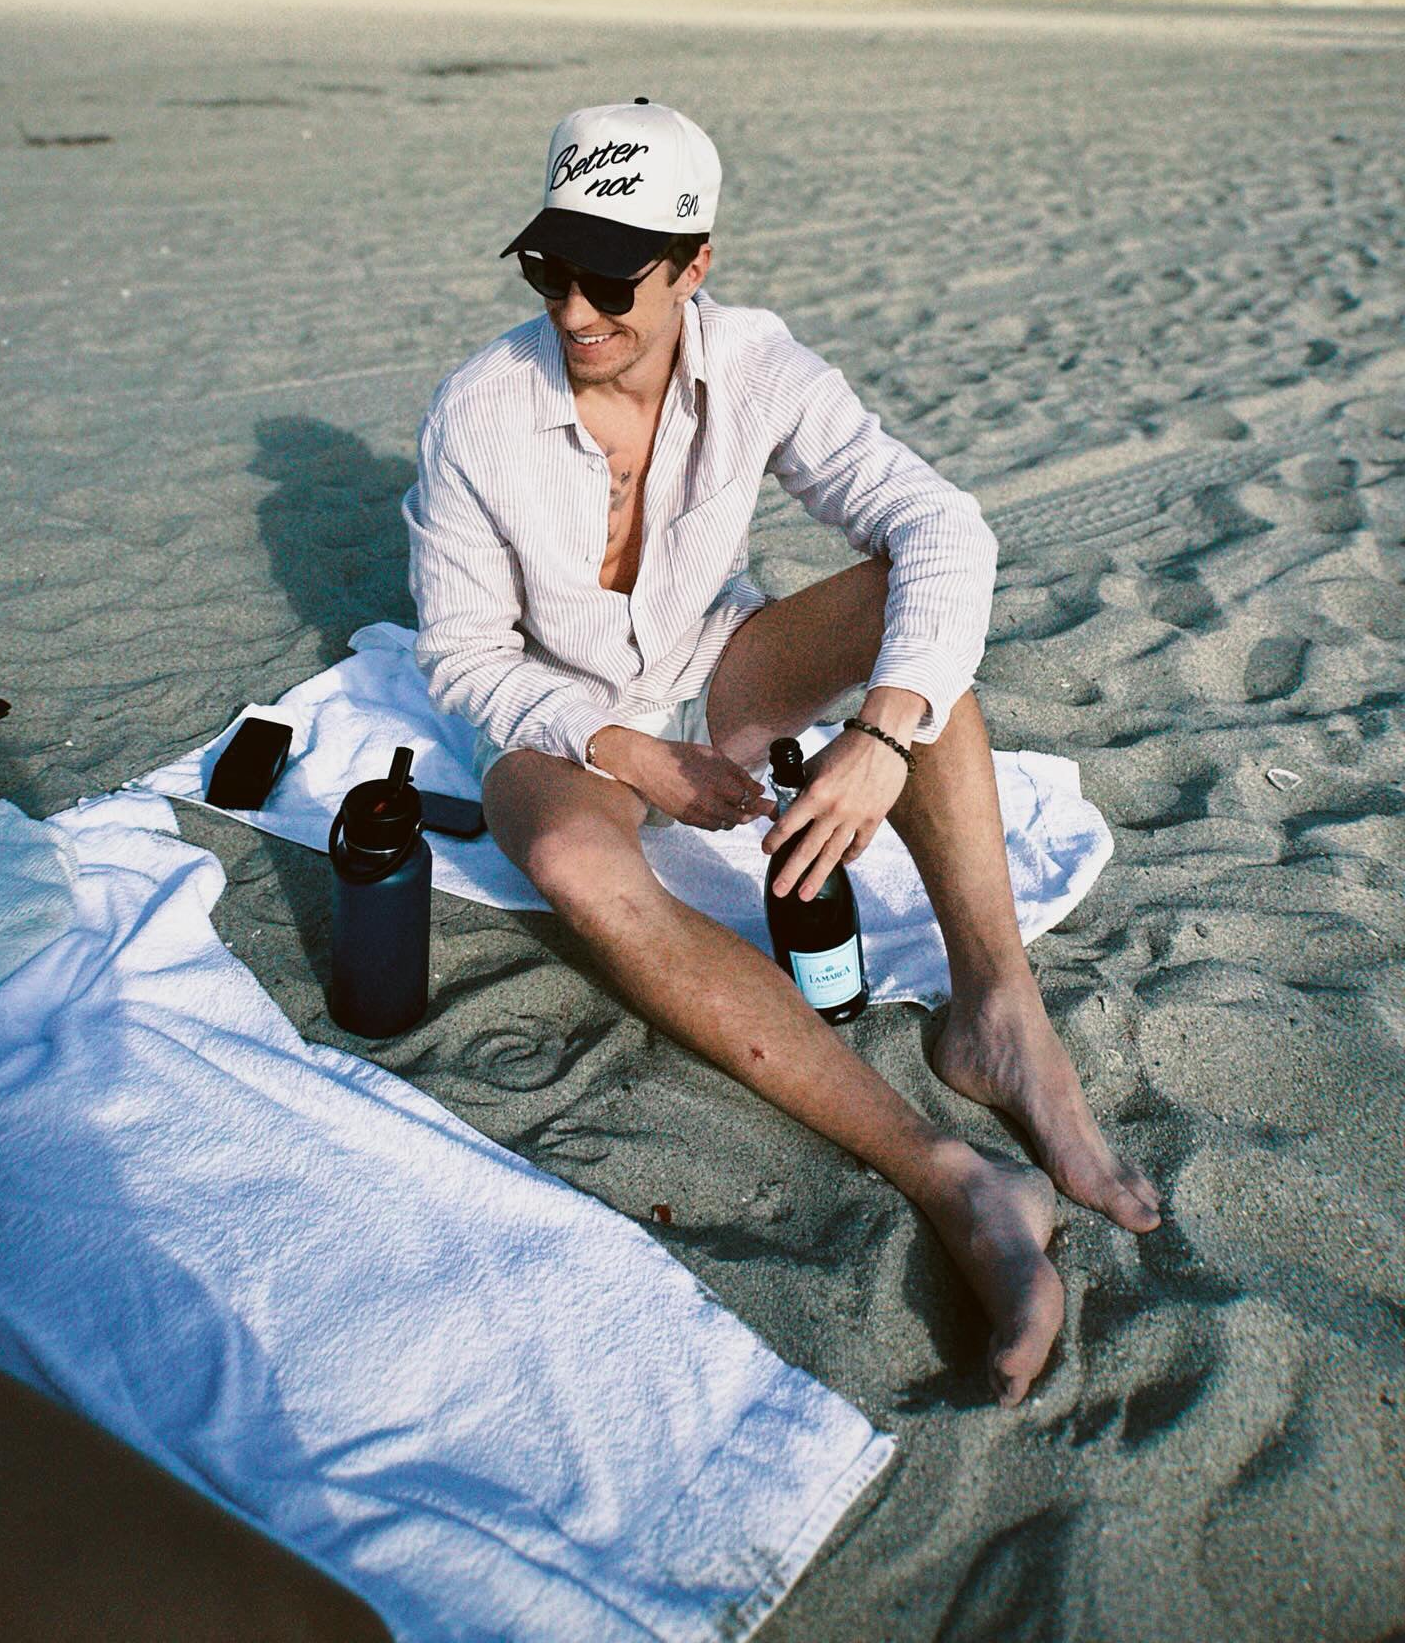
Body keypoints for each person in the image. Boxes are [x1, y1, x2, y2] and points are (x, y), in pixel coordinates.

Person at [404, 99, 1160, 1407]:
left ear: (695, 265)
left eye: (611, 276)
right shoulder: (478, 411)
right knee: (583, 870)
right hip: (561, 713)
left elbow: (943, 530)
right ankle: (951, 1178)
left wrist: (879, 735)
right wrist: (633, 758)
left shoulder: (755, 362)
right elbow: (464, 656)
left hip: (714, 656)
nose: (575, 310)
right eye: (549, 267)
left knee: (914, 647)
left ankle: (999, 1016)